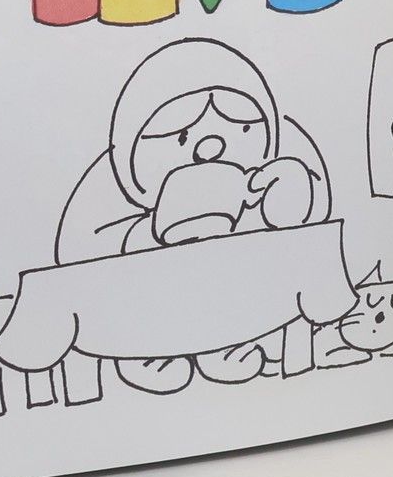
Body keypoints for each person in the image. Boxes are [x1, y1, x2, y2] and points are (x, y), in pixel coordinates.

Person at [53, 37, 333, 392]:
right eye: (180, 136)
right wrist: (148, 232)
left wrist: (287, 196)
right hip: (153, 302)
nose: (210, 147)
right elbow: (78, 254)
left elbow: (310, 223)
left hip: (236, 294)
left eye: (242, 126)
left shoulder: (274, 163)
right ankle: (148, 354)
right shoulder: (108, 184)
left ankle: (226, 347)